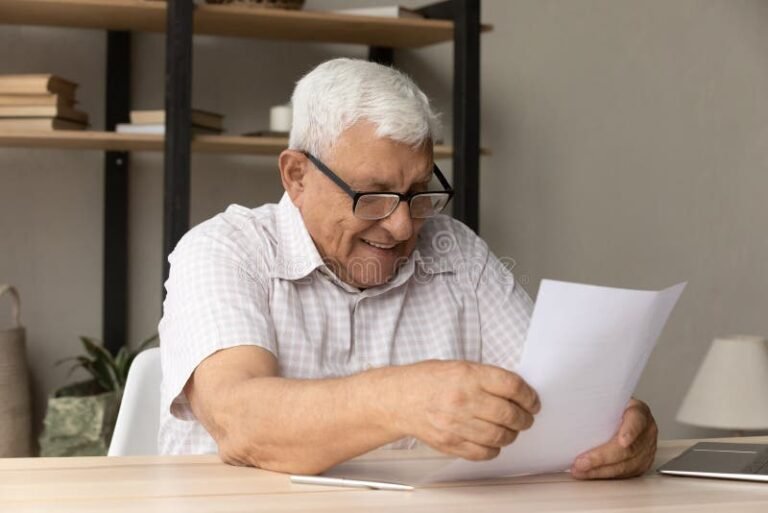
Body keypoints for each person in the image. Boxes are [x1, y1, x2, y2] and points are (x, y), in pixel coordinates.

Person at [158, 58, 657, 479]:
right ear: (297, 176)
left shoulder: (455, 251)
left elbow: (546, 397)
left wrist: (612, 423)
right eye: (373, 196)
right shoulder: (222, 251)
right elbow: (243, 424)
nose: (401, 226)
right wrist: (400, 398)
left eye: (419, 193)